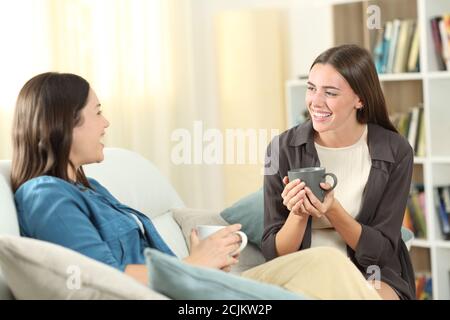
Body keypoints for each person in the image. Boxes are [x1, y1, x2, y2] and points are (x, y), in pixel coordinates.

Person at [12, 71, 382, 300]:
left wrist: (200, 260)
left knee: (324, 263)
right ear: (64, 124)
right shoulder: (46, 196)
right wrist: (194, 264)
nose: (106, 122)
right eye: (96, 113)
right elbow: (100, 279)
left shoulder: (90, 188)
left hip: (188, 281)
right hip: (179, 289)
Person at [261, 44, 416, 300]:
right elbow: (275, 255)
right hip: (303, 270)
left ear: (360, 99)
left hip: (371, 273)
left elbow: (383, 252)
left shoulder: (395, 151)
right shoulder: (282, 149)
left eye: (330, 93)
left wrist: (332, 210)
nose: (315, 102)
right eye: (311, 89)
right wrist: (298, 215)